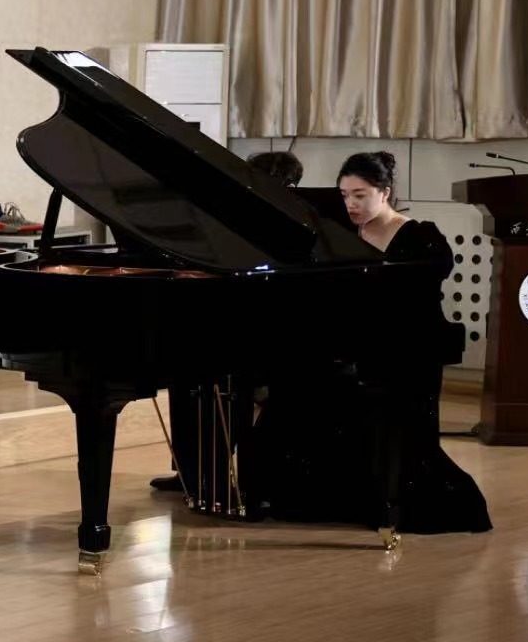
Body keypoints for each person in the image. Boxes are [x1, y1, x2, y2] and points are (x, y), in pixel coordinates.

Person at [239, 151, 492, 533]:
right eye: (344, 195)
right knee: (292, 389)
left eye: (360, 195)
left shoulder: (421, 237)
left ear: (384, 192)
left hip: (405, 352)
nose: (351, 204)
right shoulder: (337, 235)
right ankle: (300, 495)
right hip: (353, 345)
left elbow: (414, 310)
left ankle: (388, 500)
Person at [151, 150, 305, 494]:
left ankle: (222, 473)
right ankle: (190, 472)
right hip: (230, 324)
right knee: (183, 377)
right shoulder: (231, 223)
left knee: (229, 381)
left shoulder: (299, 229)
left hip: (274, 336)